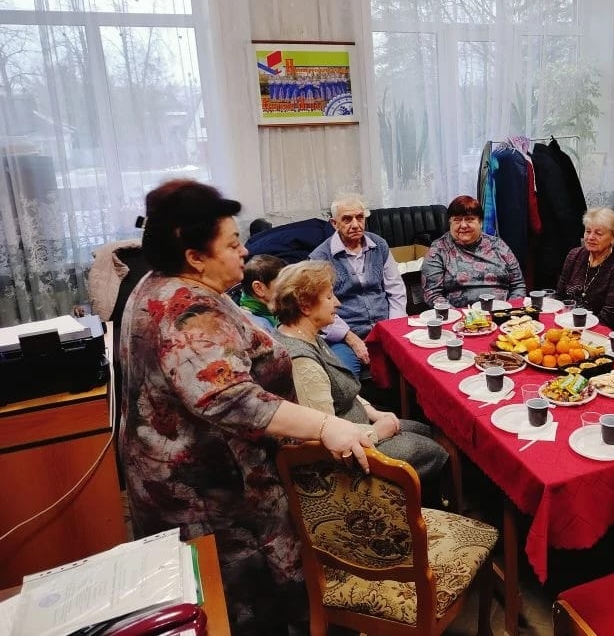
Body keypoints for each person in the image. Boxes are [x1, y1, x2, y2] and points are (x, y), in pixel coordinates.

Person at [118, 180, 373, 636]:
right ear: (195, 256)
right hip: (212, 497)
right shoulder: (184, 309)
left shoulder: (160, 283)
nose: (245, 251)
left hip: (195, 480)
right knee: (242, 610)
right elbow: (232, 397)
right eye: (233, 243)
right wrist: (326, 426)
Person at [271, 261, 448, 486]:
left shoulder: (308, 335)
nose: (337, 303)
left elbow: (343, 387)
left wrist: (373, 412)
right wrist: (376, 432)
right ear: (305, 306)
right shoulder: (303, 362)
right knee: (433, 450)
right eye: (329, 297)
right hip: (347, 457)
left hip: (358, 425)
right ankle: (428, 502)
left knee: (429, 431)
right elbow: (323, 436)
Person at [309, 193, 407, 376]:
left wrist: (393, 328)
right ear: (334, 223)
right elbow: (319, 309)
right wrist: (351, 338)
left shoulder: (379, 245)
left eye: (360, 217)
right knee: (344, 376)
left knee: (418, 361)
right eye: (347, 219)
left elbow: (396, 290)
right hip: (344, 336)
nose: (355, 224)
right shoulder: (320, 257)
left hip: (385, 326)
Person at [422, 195, 527, 307]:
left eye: (469, 219)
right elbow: (432, 294)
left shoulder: (498, 245)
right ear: (450, 223)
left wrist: (509, 309)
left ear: (480, 222)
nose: (463, 225)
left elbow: (518, 285)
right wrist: (458, 315)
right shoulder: (439, 249)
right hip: (459, 315)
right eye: (457, 220)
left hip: (501, 312)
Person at [555, 207, 614, 330]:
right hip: (567, 325)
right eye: (588, 231)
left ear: (613, 237)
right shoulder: (574, 255)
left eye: (598, 233)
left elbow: (610, 318)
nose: (591, 237)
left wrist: (577, 330)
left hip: (599, 332)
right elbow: (559, 297)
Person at [238, 253, 286, 331]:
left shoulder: (272, 312)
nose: (289, 290)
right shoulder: (256, 328)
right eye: (282, 285)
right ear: (259, 288)